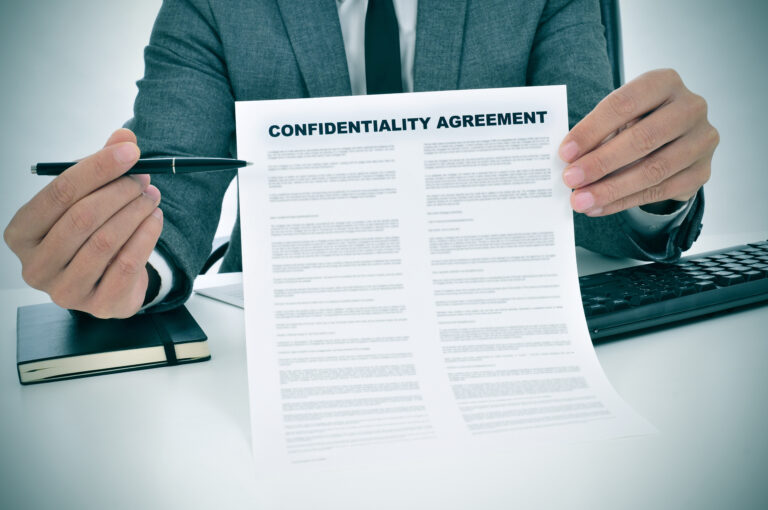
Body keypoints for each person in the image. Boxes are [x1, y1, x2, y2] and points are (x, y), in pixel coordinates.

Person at [4, 0, 718, 319]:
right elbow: (171, 197)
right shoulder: (213, 7)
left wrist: (653, 185)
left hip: (499, 317)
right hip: (294, 332)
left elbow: (593, 176)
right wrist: (121, 264)